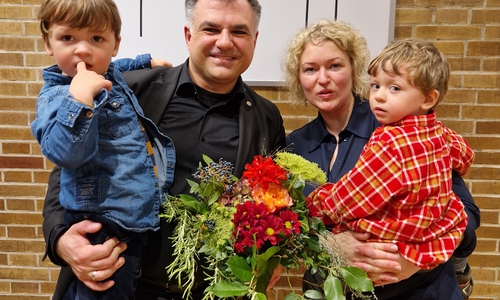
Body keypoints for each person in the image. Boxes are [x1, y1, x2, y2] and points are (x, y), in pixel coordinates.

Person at [41, 0, 286, 299]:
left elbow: (272, 204)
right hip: (121, 284)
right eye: (210, 28)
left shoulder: (266, 118)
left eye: (239, 31)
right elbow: (69, 165)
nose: (224, 41)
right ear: (188, 35)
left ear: (254, 40)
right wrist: (61, 240)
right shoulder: (130, 90)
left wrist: (273, 255)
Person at [284, 20, 479, 299]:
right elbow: (287, 228)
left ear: (354, 68)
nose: (322, 79)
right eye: (310, 69)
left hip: (421, 289)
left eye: (335, 66)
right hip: (331, 290)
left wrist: (415, 258)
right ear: (298, 77)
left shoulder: (398, 125)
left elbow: (466, 213)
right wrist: (327, 244)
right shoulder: (294, 146)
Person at [32, 0, 174, 298]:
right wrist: (79, 100)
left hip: (129, 215)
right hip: (100, 223)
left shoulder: (106, 71)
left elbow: (117, 66)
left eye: (96, 39)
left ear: (114, 45)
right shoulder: (57, 96)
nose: (83, 50)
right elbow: (64, 154)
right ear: (48, 42)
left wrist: (144, 63)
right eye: (68, 38)